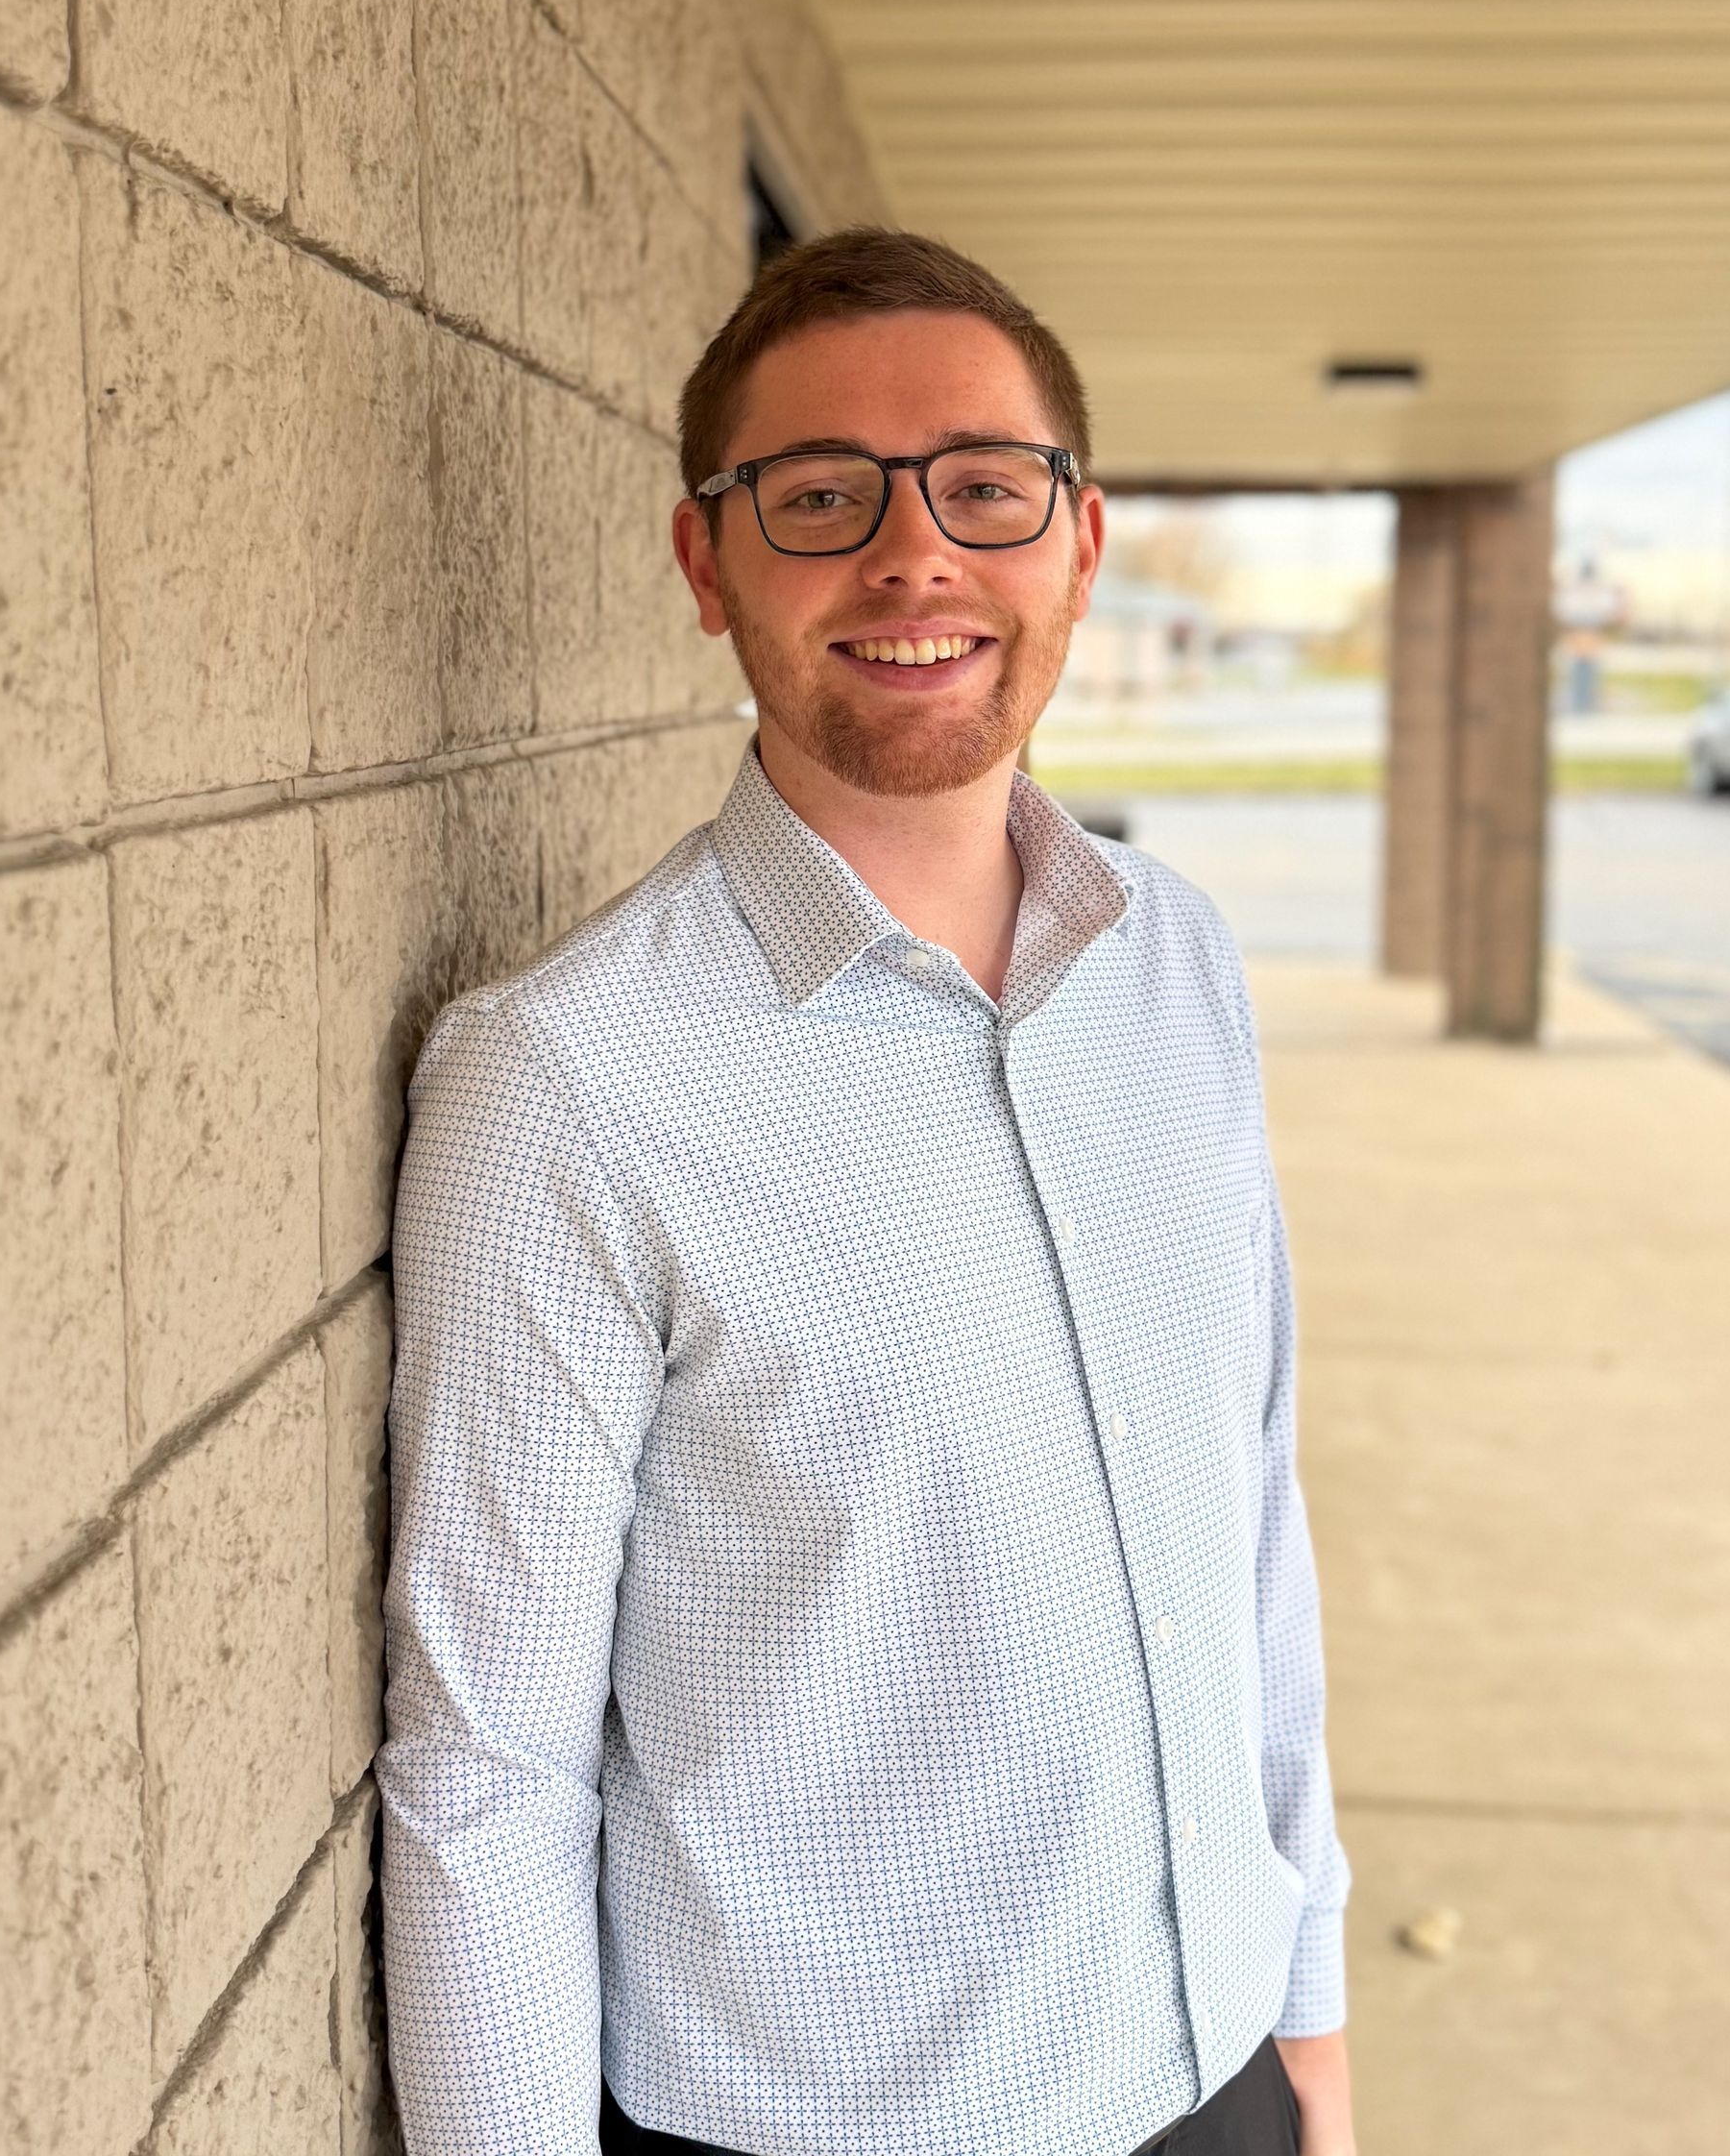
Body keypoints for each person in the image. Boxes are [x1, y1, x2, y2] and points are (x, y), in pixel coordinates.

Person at [378, 230, 1355, 2156]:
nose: (914, 556)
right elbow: (488, 1762)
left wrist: (1307, 2010)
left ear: (1080, 540)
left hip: (1220, 2070)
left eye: (986, 486)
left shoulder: (1180, 963)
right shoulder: (566, 1079)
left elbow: (1246, 1507)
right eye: (821, 496)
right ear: (705, 561)